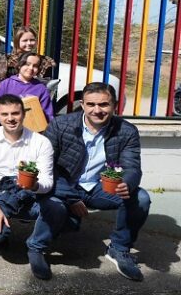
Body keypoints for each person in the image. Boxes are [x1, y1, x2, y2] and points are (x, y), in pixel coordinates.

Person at [45, 82, 151, 281]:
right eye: (91, 104)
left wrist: (127, 183)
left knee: (141, 198)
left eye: (104, 104)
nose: (97, 110)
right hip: (66, 185)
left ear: (114, 105)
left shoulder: (126, 131)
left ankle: (119, 248)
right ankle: (45, 241)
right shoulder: (60, 124)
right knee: (60, 216)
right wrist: (70, 197)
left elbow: (132, 167)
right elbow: (47, 167)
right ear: (82, 105)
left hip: (99, 187)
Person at [0, 94, 67, 280]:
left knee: (58, 208)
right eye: (5, 114)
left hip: (30, 195)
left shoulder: (41, 142)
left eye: (15, 113)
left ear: (24, 113)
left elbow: (47, 181)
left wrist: (34, 185)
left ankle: (36, 248)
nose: (10, 118)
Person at [0, 52, 54, 123]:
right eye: (27, 64)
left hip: (32, 126)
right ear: (19, 65)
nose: (31, 68)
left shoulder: (41, 89)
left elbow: (47, 113)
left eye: (35, 66)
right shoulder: (5, 84)